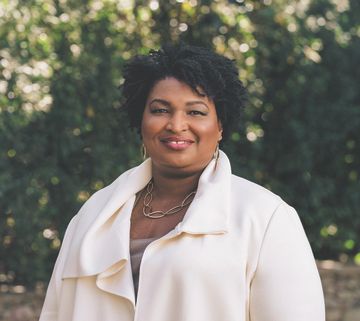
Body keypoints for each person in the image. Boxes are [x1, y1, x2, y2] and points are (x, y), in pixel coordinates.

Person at [39, 43, 325, 321]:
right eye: (160, 110)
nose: (176, 125)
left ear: (221, 125)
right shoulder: (95, 213)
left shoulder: (265, 217)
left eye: (196, 112)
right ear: (141, 120)